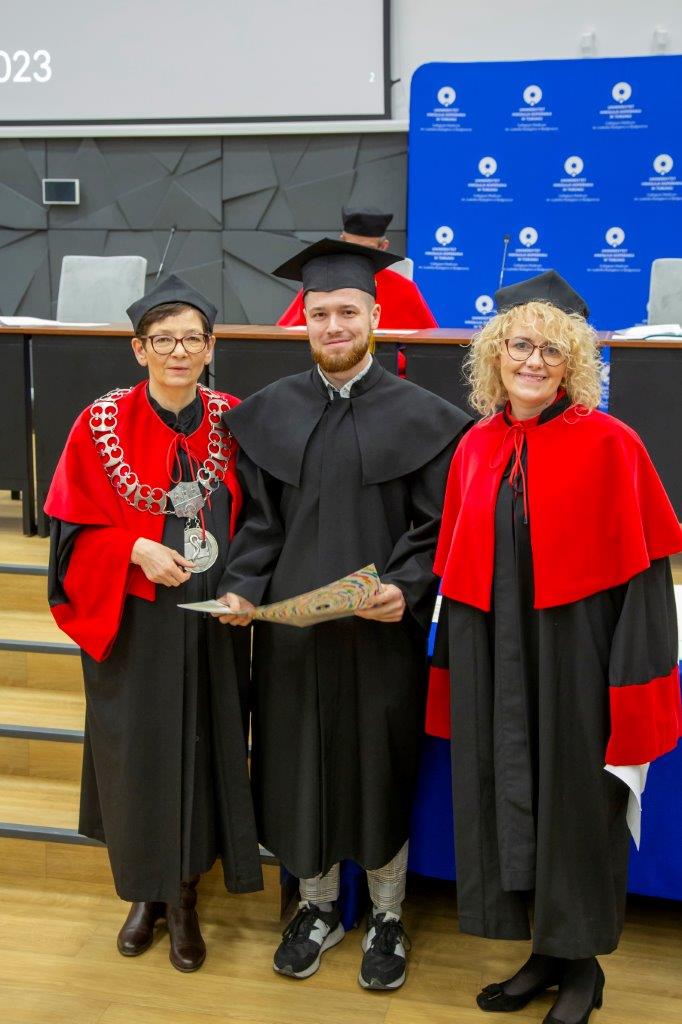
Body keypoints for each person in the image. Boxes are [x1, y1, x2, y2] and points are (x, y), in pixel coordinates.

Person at [427, 270, 682, 1023]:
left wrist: (634, 690)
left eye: (551, 350)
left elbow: (644, 586)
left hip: (579, 662)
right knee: (512, 801)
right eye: (520, 346)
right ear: (494, 355)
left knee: (576, 807)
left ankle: (582, 969)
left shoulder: (612, 444)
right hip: (495, 658)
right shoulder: (475, 446)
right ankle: (544, 952)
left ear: (573, 362)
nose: (533, 362)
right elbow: (458, 573)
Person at [217, 238, 471, 990]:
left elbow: (434, 526)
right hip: (292, 635)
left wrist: (405, 586)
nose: (334, 325)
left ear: (375, 316)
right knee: (298, 763)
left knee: (379, 764)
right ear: (304, 320)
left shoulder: (425, 419)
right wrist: (242, 586)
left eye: (348, 311)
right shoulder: (271, 414)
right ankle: (316, 906)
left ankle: (388, 915)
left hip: (380, 632)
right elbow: (260, 523)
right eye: (320, 312)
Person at [45, 275, 262, 973]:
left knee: (202, 748)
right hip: (132, 621)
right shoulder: (99, 423)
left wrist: (244, 587)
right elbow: (69, 537)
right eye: (162, 340)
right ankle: (145, 892)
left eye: (191, 339)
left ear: (211, 348)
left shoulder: (234, 420)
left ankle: (186, 895)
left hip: (210, 623)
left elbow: (264, 519)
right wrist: (131, 549)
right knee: (137, 754)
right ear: (138, 349)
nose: (178, 352)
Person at [276, 205, 438, 330]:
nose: (358, 256)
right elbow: (285, 334)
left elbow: (430, 341)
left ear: (383, 246)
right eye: (351, 248)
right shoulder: (321, 282)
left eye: (367, 250)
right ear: (342, 240)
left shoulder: (404, 288)